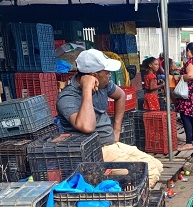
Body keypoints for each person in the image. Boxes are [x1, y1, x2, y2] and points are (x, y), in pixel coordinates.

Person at [56, 49, 163, 187]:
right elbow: (87, 127)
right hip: (94, 153)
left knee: (157, 165)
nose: (110, 76)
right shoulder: (68, 97)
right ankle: (121, 203)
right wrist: (87, 89)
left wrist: (116, 130)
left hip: (111, 145)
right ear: (94, 75)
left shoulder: (103, 84)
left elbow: (121, 95)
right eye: (107, 73)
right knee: (148, 174)